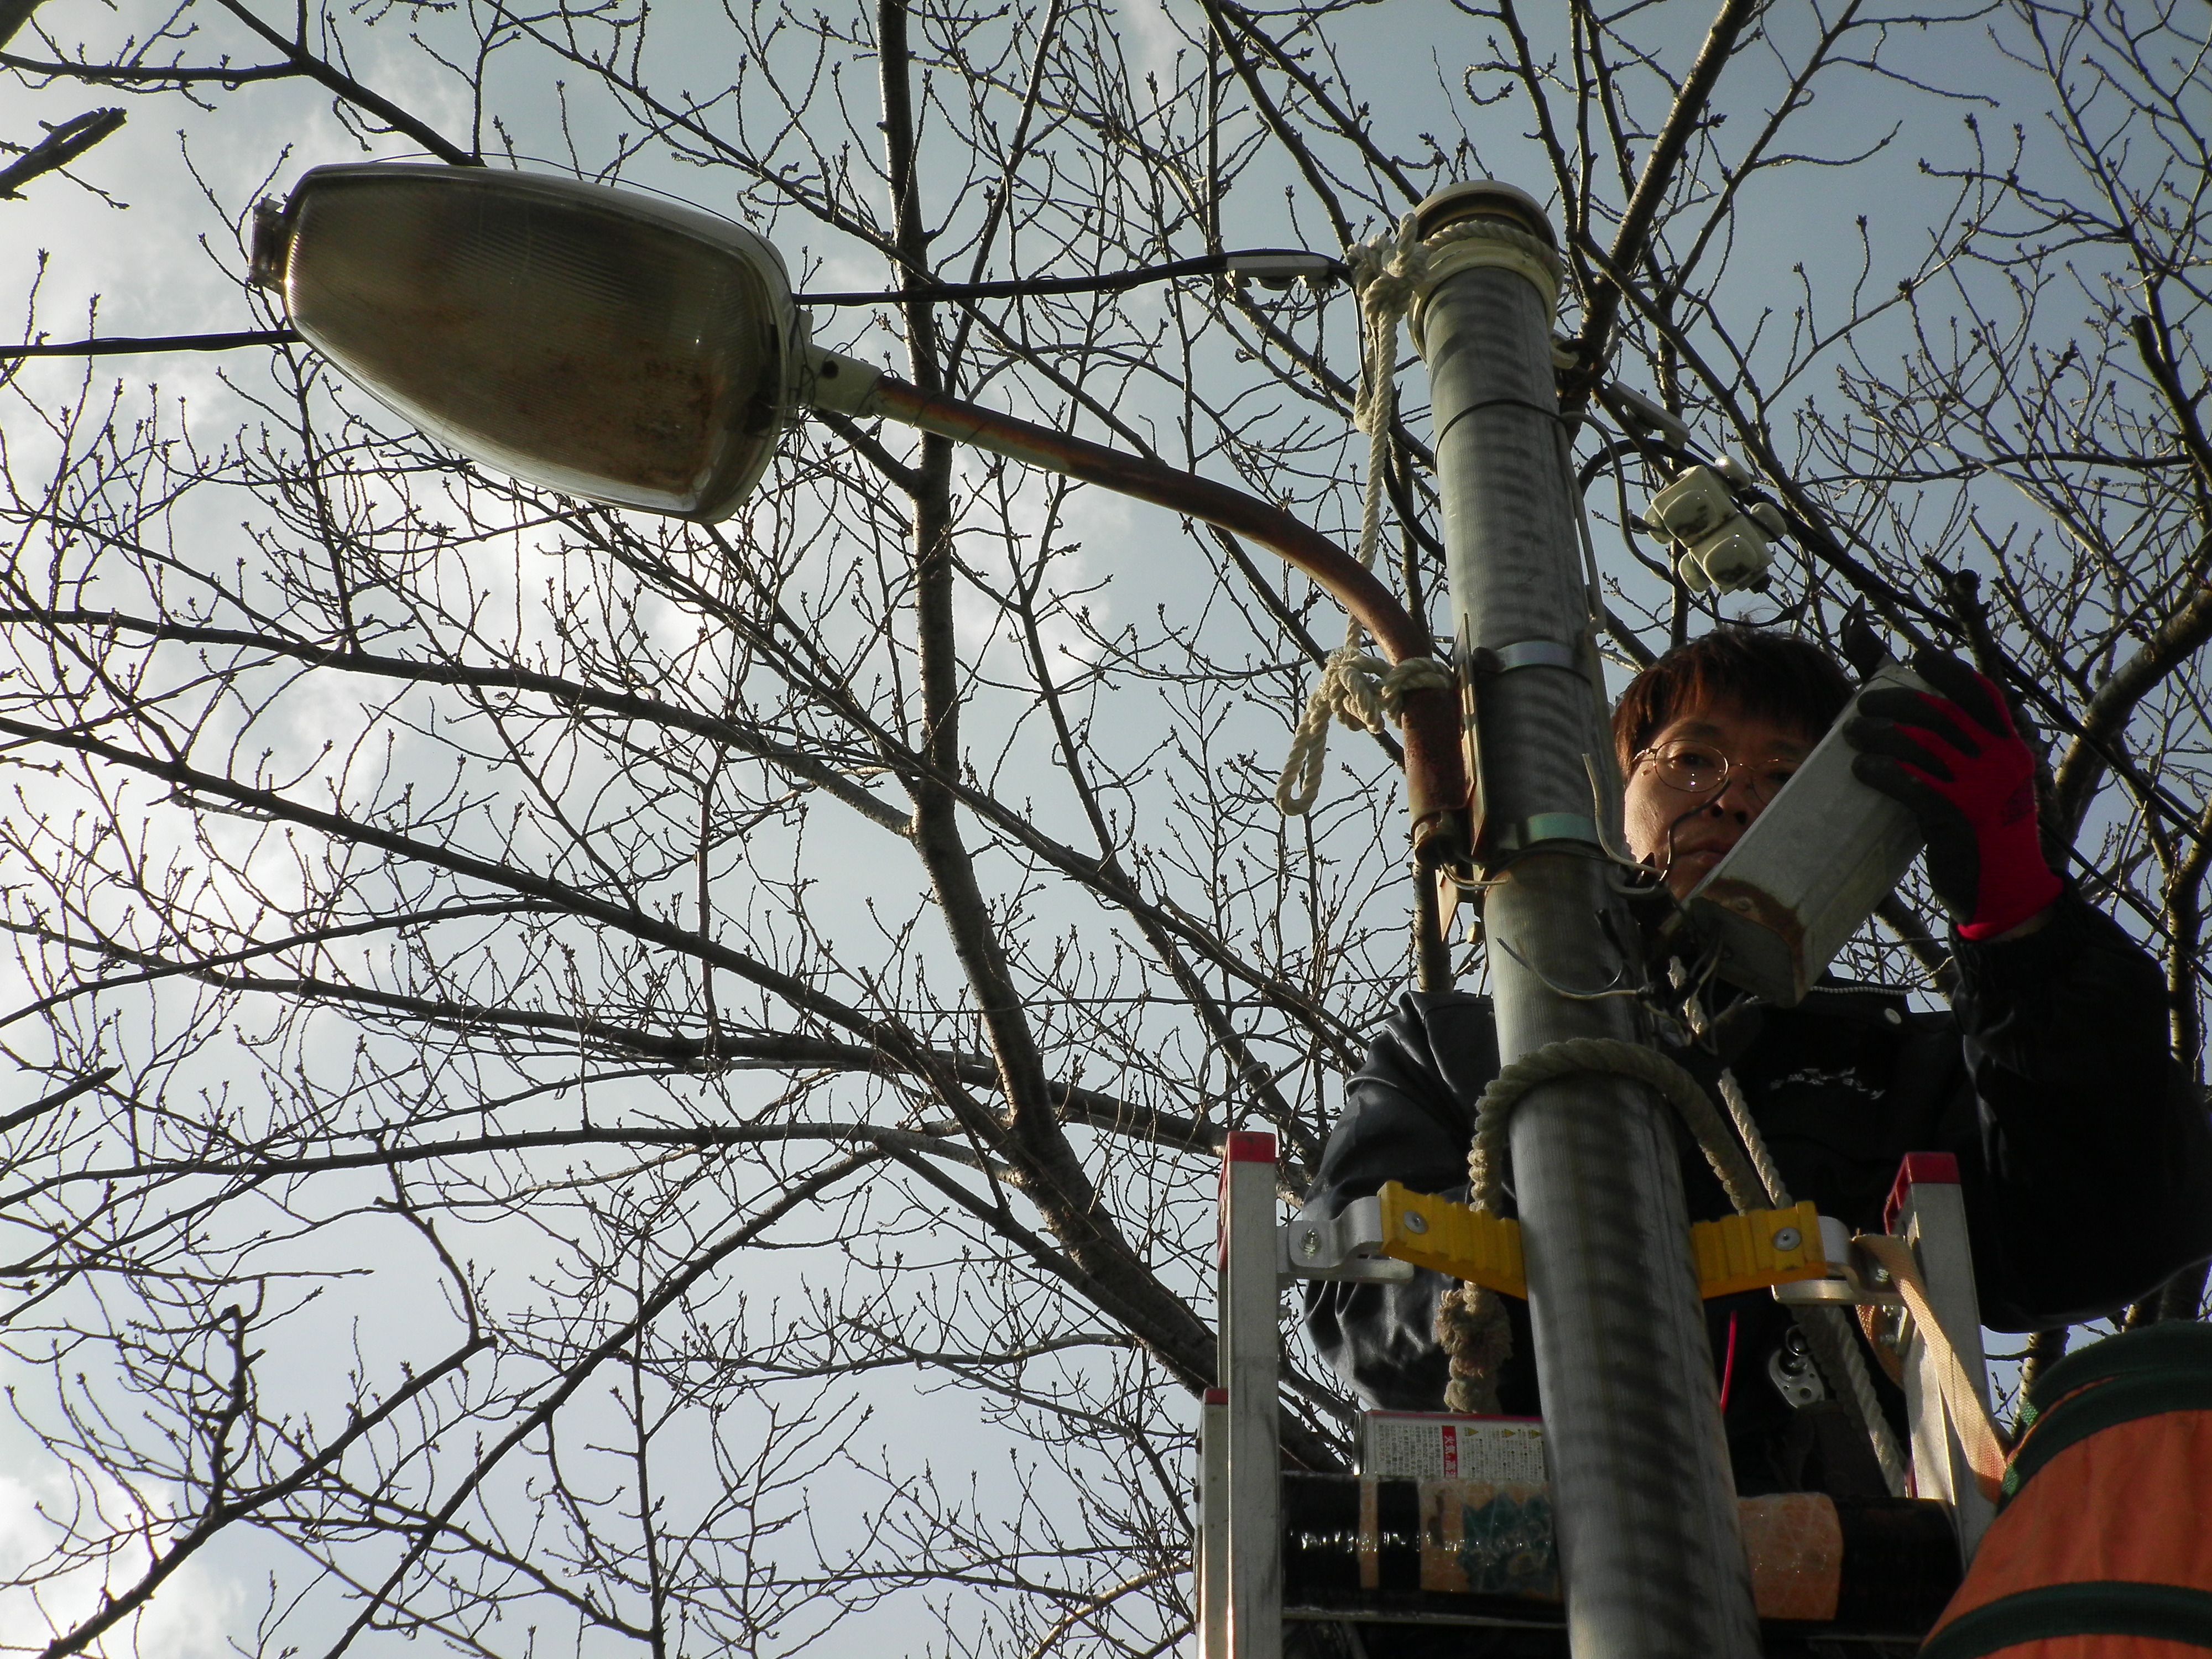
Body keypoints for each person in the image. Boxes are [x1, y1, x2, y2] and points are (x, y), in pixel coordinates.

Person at [1303, 627, 2212, 1497]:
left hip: (1843, 1559)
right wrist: (1549, 1249)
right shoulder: (1456, 1051)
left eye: (1785, 778)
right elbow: (1359, 1303)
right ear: (1613, 798)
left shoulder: (1899, 1070)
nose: (1733, 799)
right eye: (1693, 760)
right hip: (1529, 1545)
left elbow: (2106, 1229)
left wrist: (2021, 924)